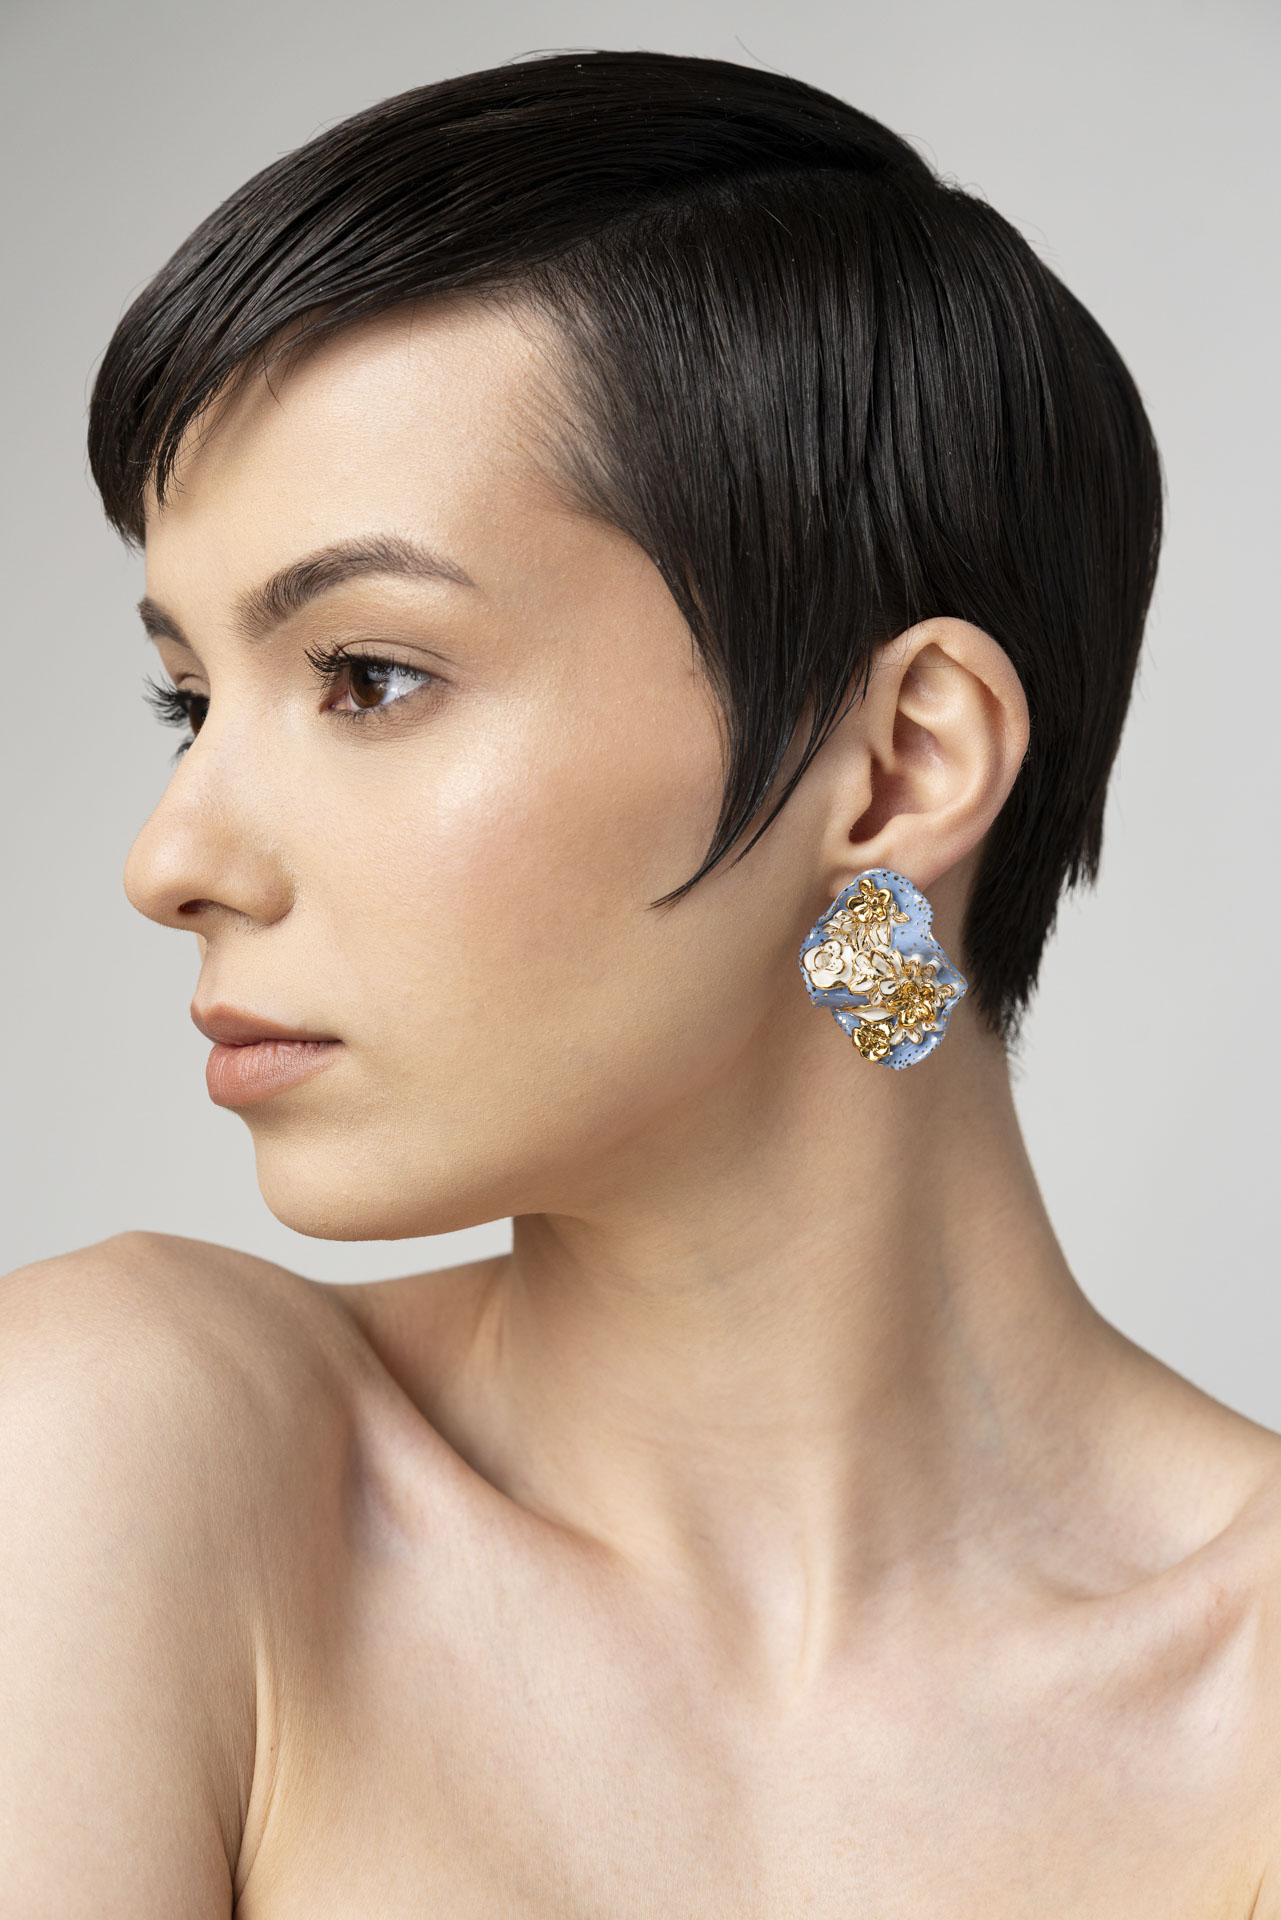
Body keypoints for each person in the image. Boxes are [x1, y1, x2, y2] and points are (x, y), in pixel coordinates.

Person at [4, 47, 1278, 1915]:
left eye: (366, 675)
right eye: (189, 700)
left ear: (897, 767)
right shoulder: (127, 1462)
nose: (169, 861)